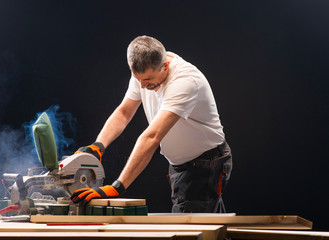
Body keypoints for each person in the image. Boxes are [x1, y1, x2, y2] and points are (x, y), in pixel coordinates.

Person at [71, 35, 233, 213]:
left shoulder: (185, 82)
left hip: (205, 164)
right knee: (210, 228)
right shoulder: (144, 72)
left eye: (147, 80)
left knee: (188, 230)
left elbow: (152, 137)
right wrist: (98, 146)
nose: (141, 86)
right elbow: (124, 112)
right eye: (137, 78)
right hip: (183, 165)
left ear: (165, 66)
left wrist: (117, 187)